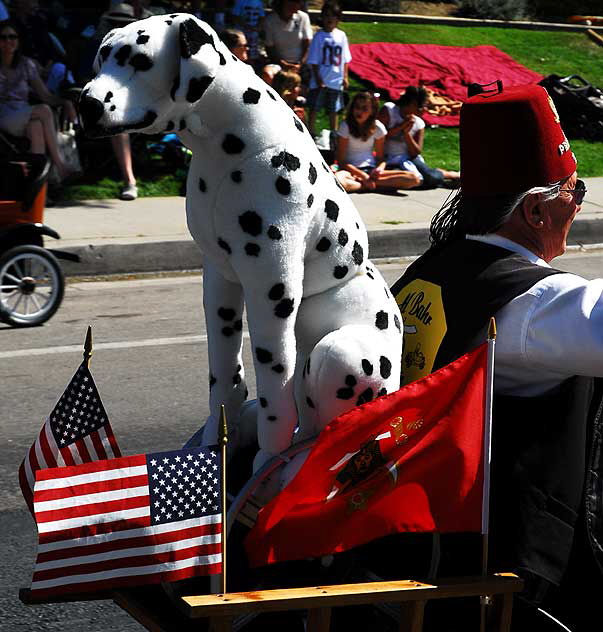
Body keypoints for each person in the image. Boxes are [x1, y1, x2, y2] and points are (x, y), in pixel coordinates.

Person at [390, 81, 603, 631]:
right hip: (512, 580)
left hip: (424, 549)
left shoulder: (429, 271)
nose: (579, 206)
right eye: (574, 192)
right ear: (535, 210)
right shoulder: (536, 303)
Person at [0, 20, 77, 183]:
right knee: (43, 110)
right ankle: (60, 165)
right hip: (4, 115)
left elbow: (45, 95)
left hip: (23, 114)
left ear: (18, 40)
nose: (8, 41)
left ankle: (40, 187)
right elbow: (44, 104)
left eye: (12, 37)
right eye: (3, 37)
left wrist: (65, 102)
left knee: (37, 126)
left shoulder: (26, 64)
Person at [335, 91, 421, 192]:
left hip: (370, 170)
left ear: (372, 111)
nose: (359, 111)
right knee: (338, 180)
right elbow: (341, 161)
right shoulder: (345, 126)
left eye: (364, 109)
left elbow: (381, 158)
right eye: (357, 107)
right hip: (350, 170)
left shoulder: (378, 127)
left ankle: (365, 185)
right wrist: (363, 176)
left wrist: (379, 168)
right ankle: (369, 185)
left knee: (414, 178)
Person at [378, 85, 459, 189]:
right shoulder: (389, 110)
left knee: (432, 177)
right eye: (422, 106)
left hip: (408, 158)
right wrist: (401, 126)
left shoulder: (419, 123)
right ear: (413, 103)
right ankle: (441, 179)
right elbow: (379, 135)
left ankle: (447, 175)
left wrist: (407, 134)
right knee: (400, 179)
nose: (424, 109)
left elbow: (415, 152)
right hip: (388, 157)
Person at [306, 0, 350, 139]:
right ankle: (311, 131)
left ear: (338, 19)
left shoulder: (341, 36)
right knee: (315, 106)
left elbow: (345, 59)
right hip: (321, 80)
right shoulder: (319, 37)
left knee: (333, 109)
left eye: (333, 16)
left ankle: (334, 133)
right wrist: (318, 78)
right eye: (327, 16)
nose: (330, 19)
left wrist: (345, 77)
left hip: (335, 80)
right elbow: (313, 60)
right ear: (322, 17)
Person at [263, 0, 312, 79]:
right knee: (267, 73)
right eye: (292, 2)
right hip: (279, 64)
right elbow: (269, 48)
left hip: (300, 64)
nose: (296, 5)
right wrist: (283, 64)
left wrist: (300, 64)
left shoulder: (303, 17)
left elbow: (308, 45)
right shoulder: (270, 20)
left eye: (298, 2)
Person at [230, 0, 264, 67]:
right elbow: (235, 16)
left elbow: (262, 16)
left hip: (254, 32)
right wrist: (247, 26)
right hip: (242, 33)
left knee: (253, 50)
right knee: (242, 50)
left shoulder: (259, 2)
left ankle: (253, 66)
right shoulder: (240, 2)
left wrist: (258, 27)